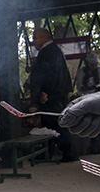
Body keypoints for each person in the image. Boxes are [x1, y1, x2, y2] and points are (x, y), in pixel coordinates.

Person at [29, 28, 73, 160]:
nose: (34, 42)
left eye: (36, 38)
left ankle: (68, 152)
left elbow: (51, 75)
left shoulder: (49, 52)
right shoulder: (51, 51)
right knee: (49, 124)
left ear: (44, 38)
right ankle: (48, 151)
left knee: (56, 122)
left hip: (52, 94)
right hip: (54, 93)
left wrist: (46, 93)